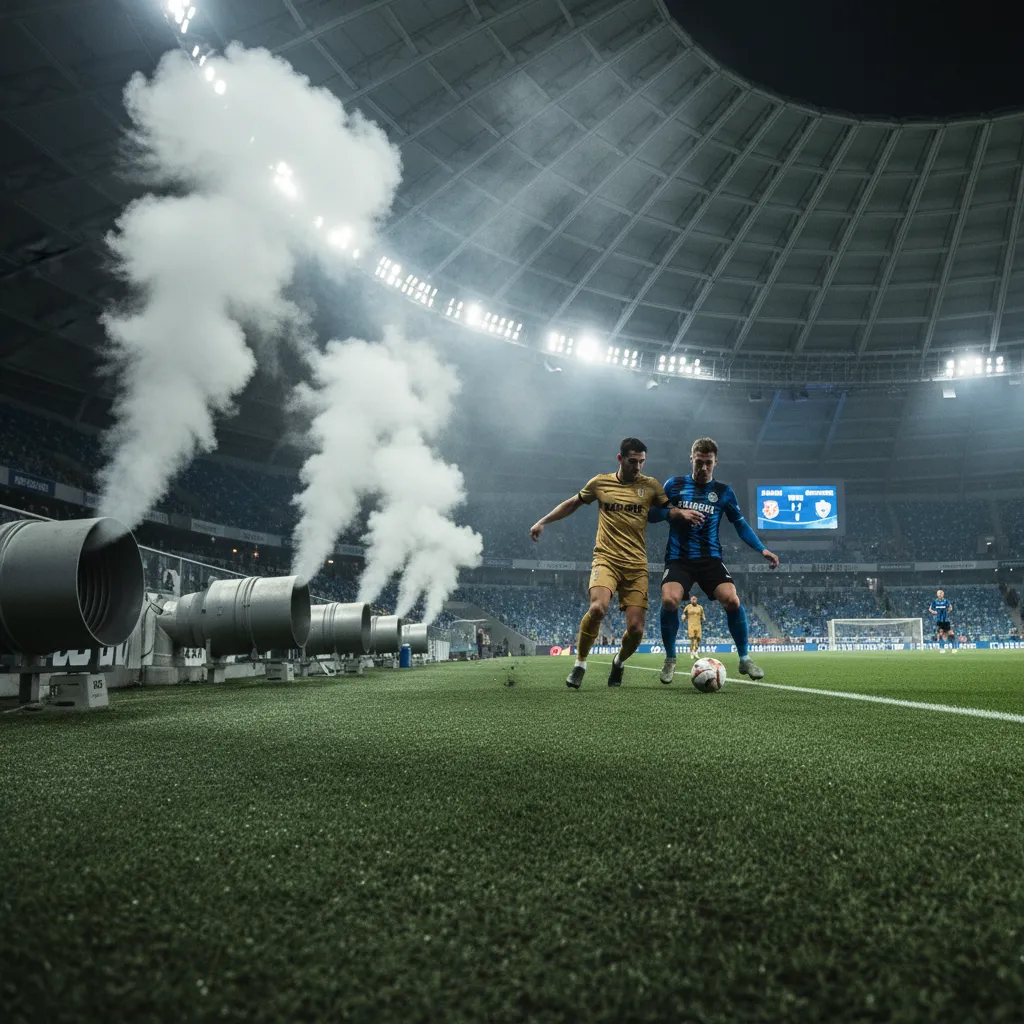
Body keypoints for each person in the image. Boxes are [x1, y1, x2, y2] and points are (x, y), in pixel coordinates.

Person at [530, 437, 686, 688]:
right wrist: (542, 521)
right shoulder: (600, 482)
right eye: (633, 461)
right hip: (606, 560)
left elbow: (669, 510)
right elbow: (572, 504)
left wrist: (684, 513)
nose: (638, 467)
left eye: (642, 462)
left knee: (636, 630)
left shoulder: (652, 486)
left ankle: (619, 661)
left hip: (636, 566)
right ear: (620, 458)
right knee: (597, 609)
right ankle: (580, 664)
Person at [648, 437, 779, 684]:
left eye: (708, 463)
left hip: (710, 558)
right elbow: (652, 514)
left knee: (732, 599)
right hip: (679, 559)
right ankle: (670, 659)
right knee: (669, 601)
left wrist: (761, 550)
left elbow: (739, 524)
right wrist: (674, 512)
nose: (703, 468)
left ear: (715, 462)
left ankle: (744, 658)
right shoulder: (674, 485)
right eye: (699, 462)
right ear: (692, 459)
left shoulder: (723, 492)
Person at [929, 588, 956, 653]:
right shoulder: (935, 602)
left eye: (941, 593)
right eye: (939, 593)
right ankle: (942, 648)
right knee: (940, 633)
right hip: (939, 621)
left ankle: (954, 648)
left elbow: (950, 607)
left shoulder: (946, 601)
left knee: (950, 633)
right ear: (937, 594)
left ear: (943, 594)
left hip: (946, 620)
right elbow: (930, 609)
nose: (940, 594)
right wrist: (933, 612)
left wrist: (949, 610)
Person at [681, 595, 706, 662]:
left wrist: (704, 618)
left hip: (698, 625)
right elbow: (684, 613)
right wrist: (683, 616)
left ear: (696, 600)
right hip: (691, 625)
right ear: (691, 600)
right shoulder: (688, 607)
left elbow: (702, 614)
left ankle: (695, 651)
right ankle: (692, 652)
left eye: (695, 599)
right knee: (692, 639)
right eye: (692, 599)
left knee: (699, 639)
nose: (693, 600)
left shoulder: (700, 607)